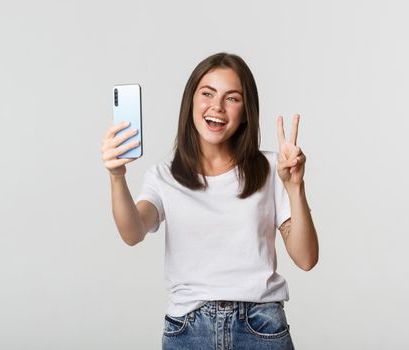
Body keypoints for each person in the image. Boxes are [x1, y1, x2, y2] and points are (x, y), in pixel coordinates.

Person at [101, 52, 319, 350]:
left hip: (261, 325)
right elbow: (132, 232)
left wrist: (295, 187)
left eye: (232, 98)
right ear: (191, 100)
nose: (217, 107)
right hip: (189, 330)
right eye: (207, 93)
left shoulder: (271, 169)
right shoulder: (164, 176)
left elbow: (306, 259)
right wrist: (116, 176)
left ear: (246, 111)